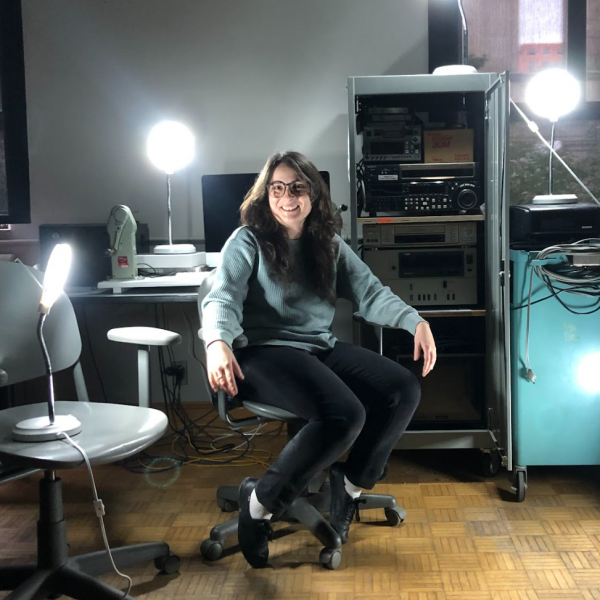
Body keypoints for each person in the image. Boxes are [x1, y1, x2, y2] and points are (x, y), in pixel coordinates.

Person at [201, 150, 436, 568]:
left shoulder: (327, 244)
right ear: (265, 194)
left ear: (313, 195)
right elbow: (222, 297)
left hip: (316, 346)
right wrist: (217, 341)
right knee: (345, 414)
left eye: (297, 187)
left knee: (402, 389)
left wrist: (413, 321)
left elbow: (370, 292)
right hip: (260, 352)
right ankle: (257, 505)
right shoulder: (247, 240)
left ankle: (349, 488)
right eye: (277, 188)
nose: (287, 197)